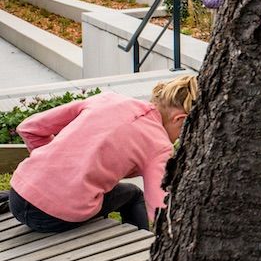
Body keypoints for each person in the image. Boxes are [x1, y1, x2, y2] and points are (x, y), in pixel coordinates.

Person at [4, 76, 199, 232]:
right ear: (180, 119)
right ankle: (136, 254)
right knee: (132, 195)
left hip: (18, 195)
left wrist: (54, 170)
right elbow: (159, 208)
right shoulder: (159, 146)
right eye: (184, 132)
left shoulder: (107, 99)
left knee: (107, 189)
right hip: (53, 218)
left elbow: (29, 128)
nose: (178, 139)